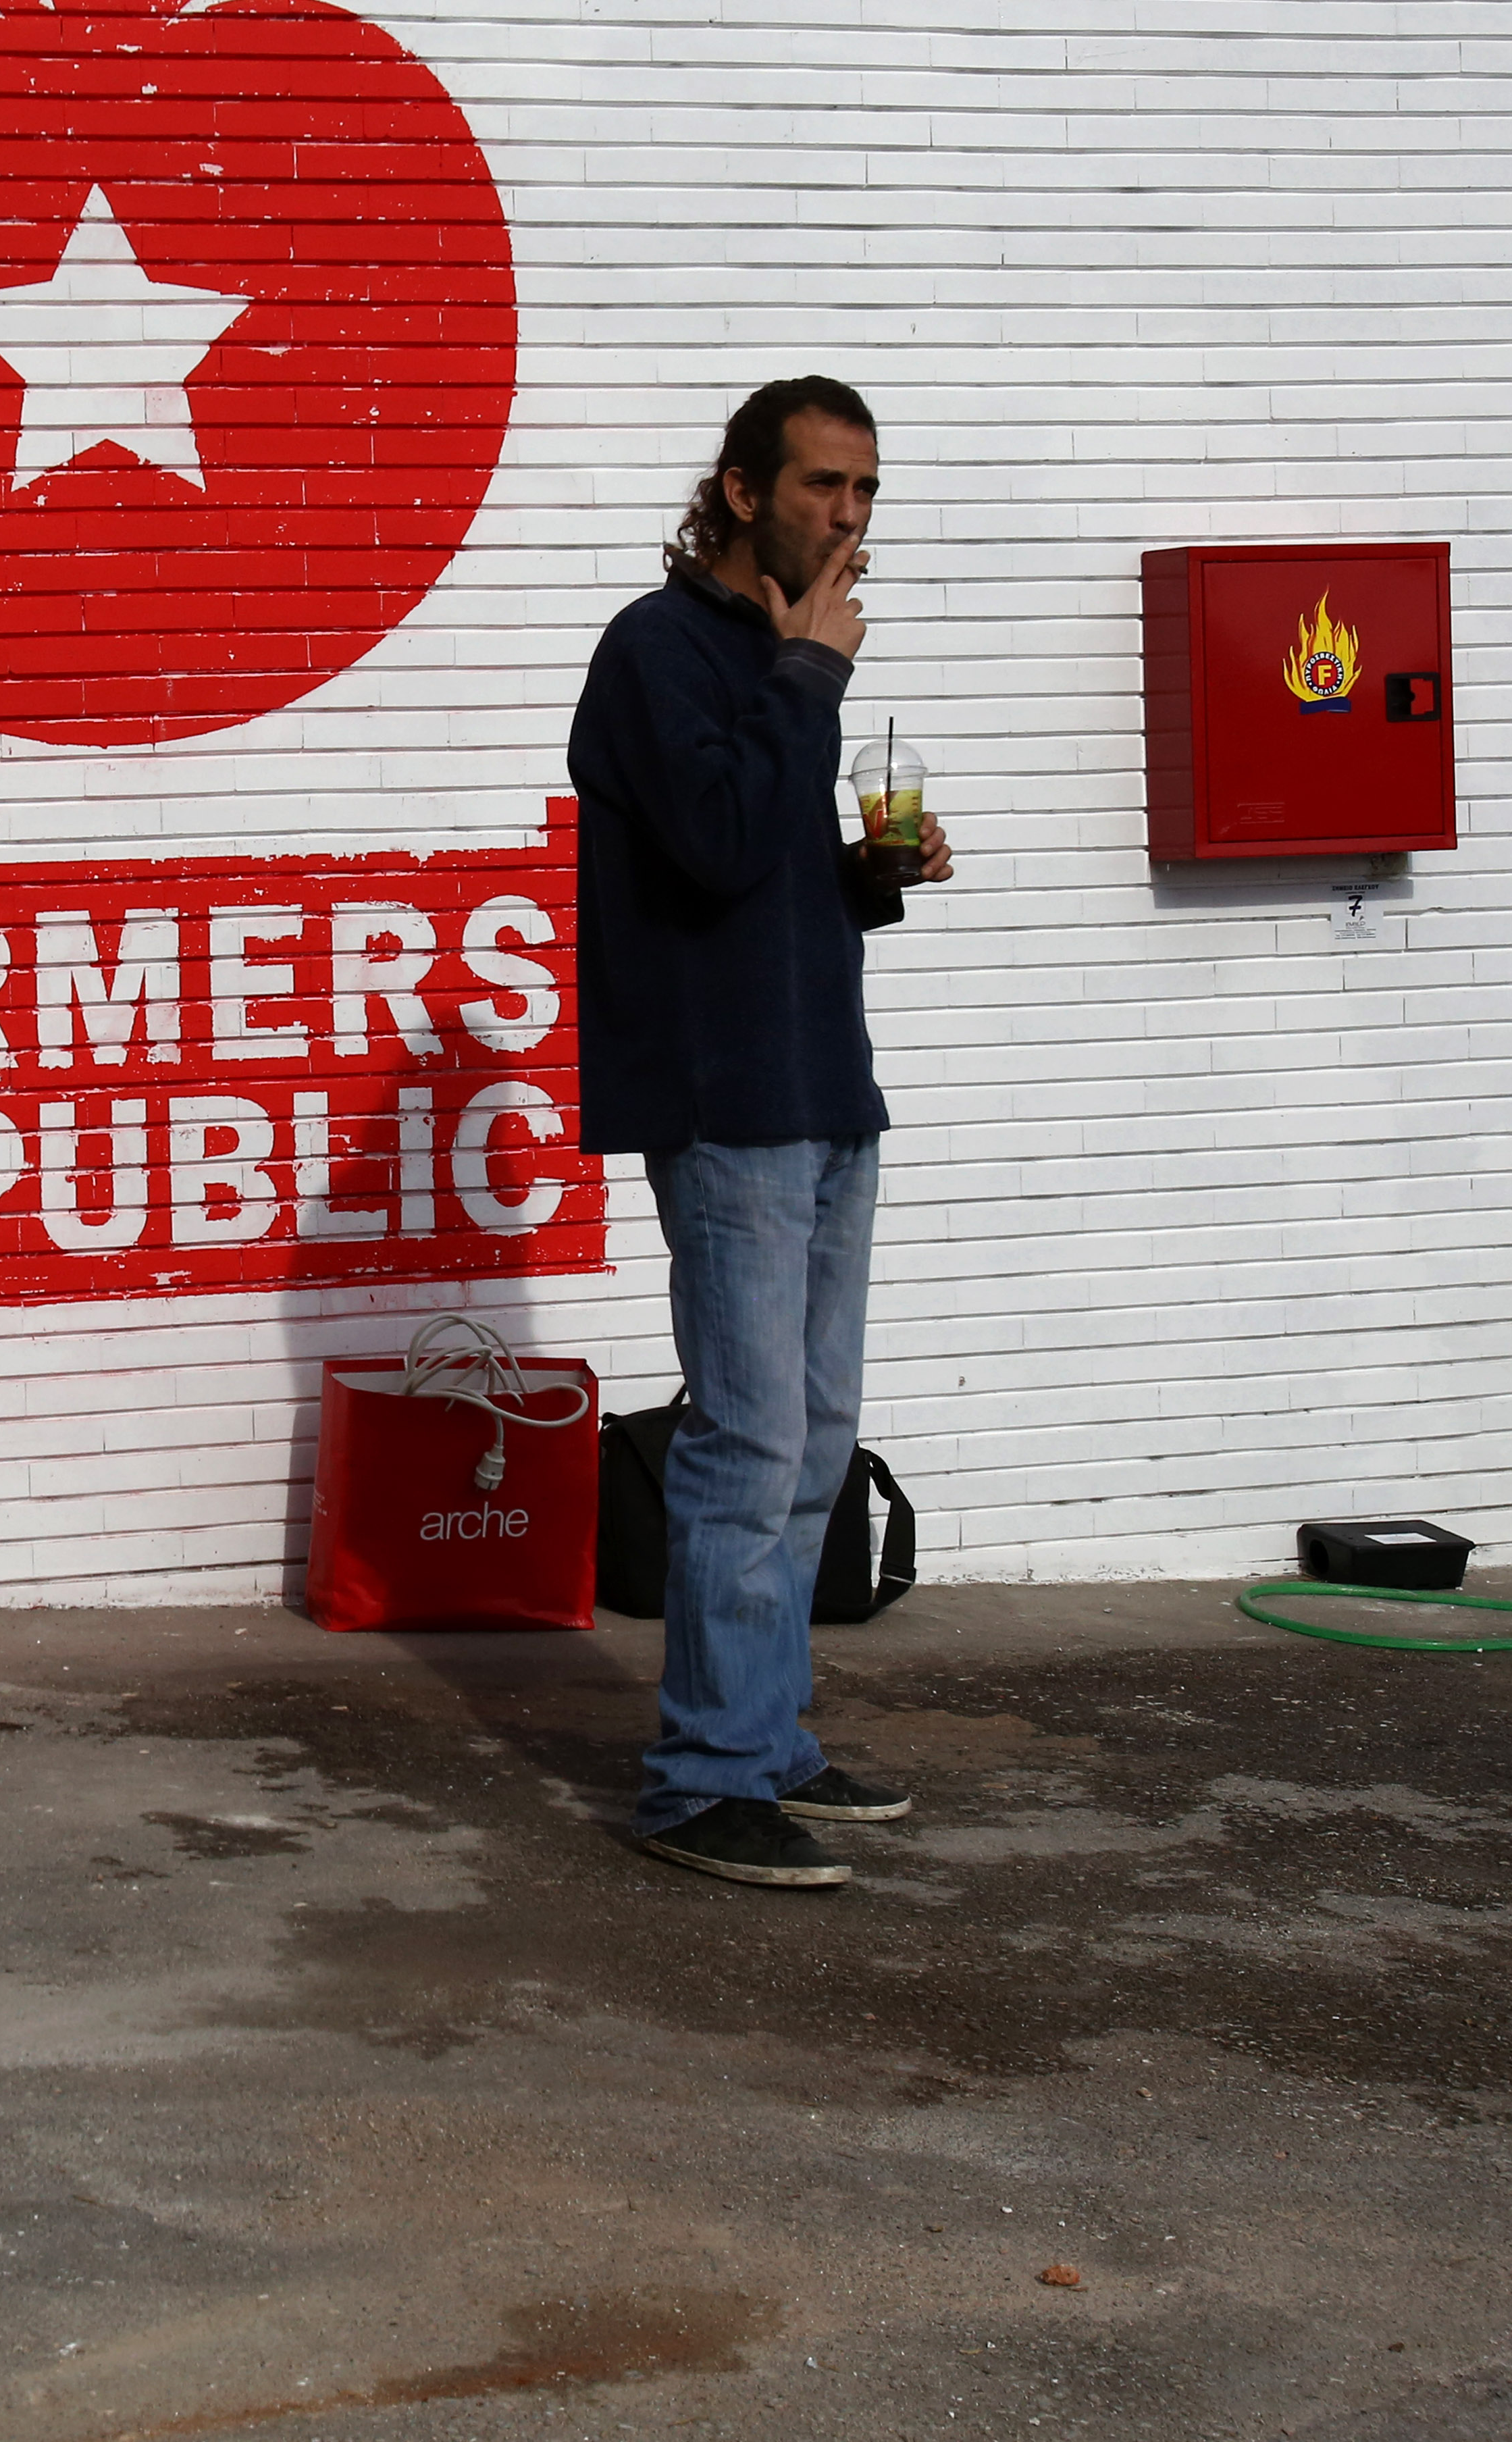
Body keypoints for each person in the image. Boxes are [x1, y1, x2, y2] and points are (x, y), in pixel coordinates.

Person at [567, 375, 952, 1893]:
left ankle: (770, 1738)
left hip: (825, 1088)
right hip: (727, 1105)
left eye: (865, 493)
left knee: (815, 1447)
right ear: (740, 492)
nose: (847, 519)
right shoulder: (658, 653)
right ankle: (702, 1781)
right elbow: (715, 842)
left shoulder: (787, 659)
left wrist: (878, 868)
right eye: (821, 488)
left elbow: (768, 883)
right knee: (744, 1441)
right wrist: (809, 682)